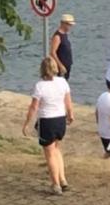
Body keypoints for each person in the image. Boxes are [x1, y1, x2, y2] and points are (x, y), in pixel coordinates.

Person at [22, 57, 74, 196]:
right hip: (60, 120)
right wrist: (70, 115)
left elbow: (34, 107)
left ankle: (55, 184)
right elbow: (68, 102)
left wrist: (27, 123)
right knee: (57, 149)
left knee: (49, 153)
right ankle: (63, 179)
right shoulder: (62, 82)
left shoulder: (40, 86)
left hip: (47, 121)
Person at [50, 13, 75, 80]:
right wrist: (60, 65)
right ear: (63, 23)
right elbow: (52, 52)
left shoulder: (65, 35)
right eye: (68, 25)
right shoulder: (57, 36)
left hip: (66, 65)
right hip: (60, 67)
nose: (70, 27)